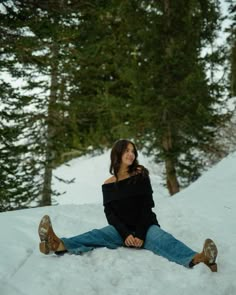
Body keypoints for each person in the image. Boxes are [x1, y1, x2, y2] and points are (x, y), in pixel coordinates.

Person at [38, 139, 218, 272]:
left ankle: (200, 258)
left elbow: (146, 208)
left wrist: (139, 234)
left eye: (133, 151)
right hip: (120, 230)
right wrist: (125, 235)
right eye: (127, 150)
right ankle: (58, 244)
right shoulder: (107, 184)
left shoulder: (140, 175)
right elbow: (111, 215)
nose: (131, 154)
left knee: (164, 239)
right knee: (96, 235)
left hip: (145, 227)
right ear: (117, 154)